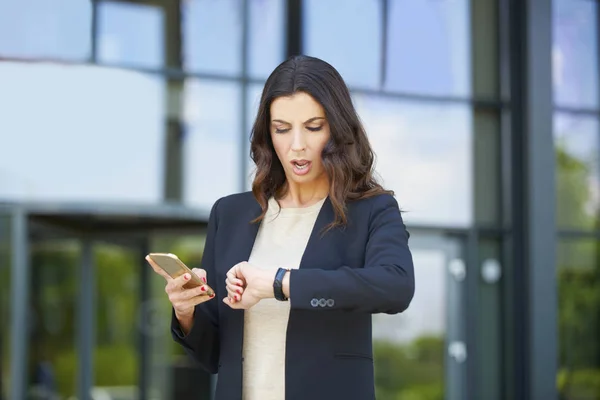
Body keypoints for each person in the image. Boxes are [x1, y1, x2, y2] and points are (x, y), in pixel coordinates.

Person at [146, 55, 415, 400]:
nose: (297, 145)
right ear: (267, 133)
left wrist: (279, 283)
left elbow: (395, 286)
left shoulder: (371, 210)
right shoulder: (230, 214)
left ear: (338, 128)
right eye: (282, 128)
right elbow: (212, 355)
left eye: (314, 127)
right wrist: (186, 311)